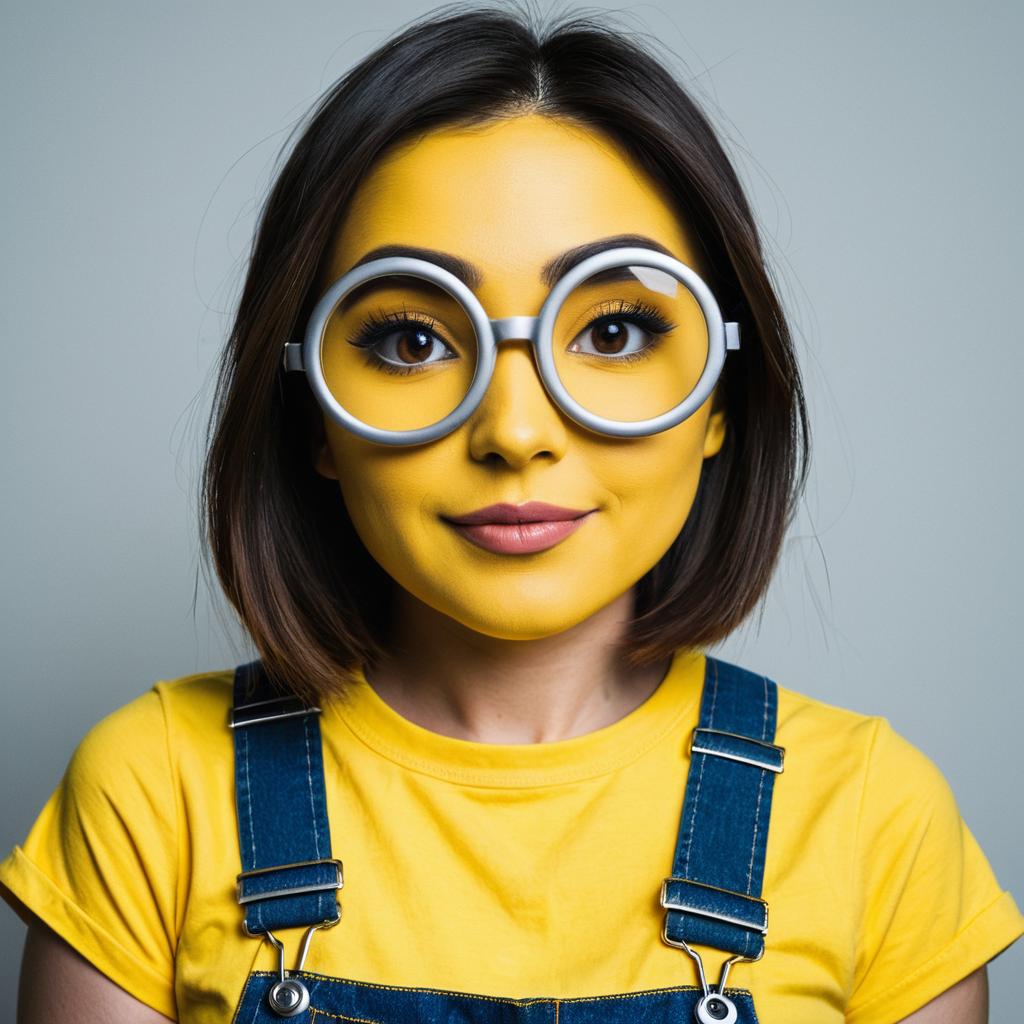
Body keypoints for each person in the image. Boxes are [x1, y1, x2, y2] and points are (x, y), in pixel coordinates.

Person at [2, 4, 1021, 1023]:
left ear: (719, 397)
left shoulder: (874, 818)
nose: (515, 431)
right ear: (314, 412)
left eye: (613, 331)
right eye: (412, 340)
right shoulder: (154, 791)